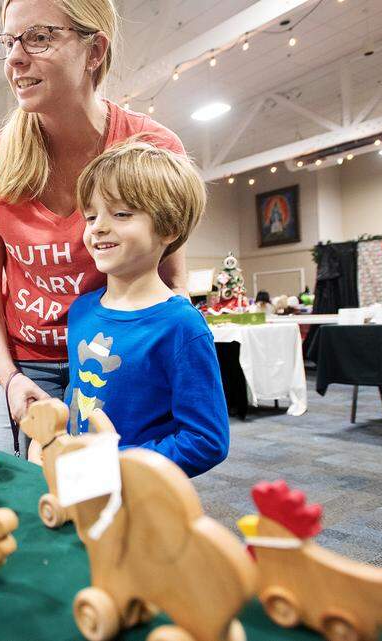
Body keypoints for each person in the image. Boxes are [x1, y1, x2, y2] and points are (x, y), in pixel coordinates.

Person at [0, 0, 187, 457]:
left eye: (38, 38)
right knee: (37, 496)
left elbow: (171, 278)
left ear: (94, 51)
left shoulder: (150, 147)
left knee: (114, 493)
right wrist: (9, 377)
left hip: (115, 355)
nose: (16, 58)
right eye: (8, 42)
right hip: (27, 363)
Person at [66, 139, 227, 477]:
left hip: (141, 497)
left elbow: (205, 439)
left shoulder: (181, 326)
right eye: (91, 216)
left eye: (122, 214)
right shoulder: (81, 311)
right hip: (81, 481)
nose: (98, 227)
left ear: (168, 227)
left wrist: (118, 462)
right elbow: (80, 393)